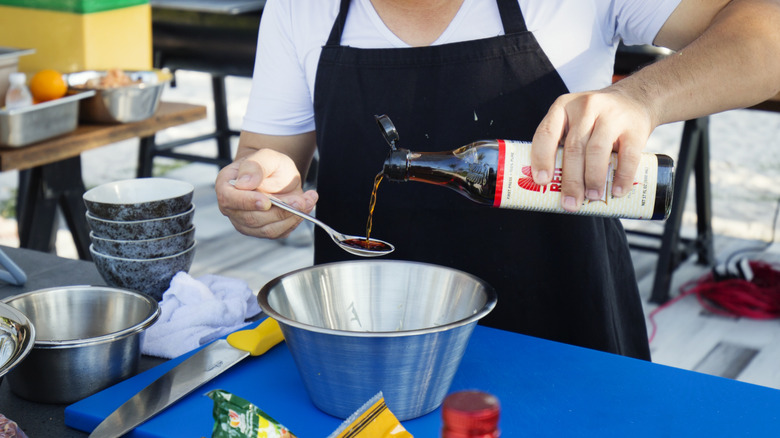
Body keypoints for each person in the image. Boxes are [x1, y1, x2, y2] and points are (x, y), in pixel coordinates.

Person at [216, 0, 780, 360]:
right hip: (366, 343)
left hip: (563, 334)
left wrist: (642, 95)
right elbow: (269, 155)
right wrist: (262, 180)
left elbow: (767, 35)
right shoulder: (299, 8)